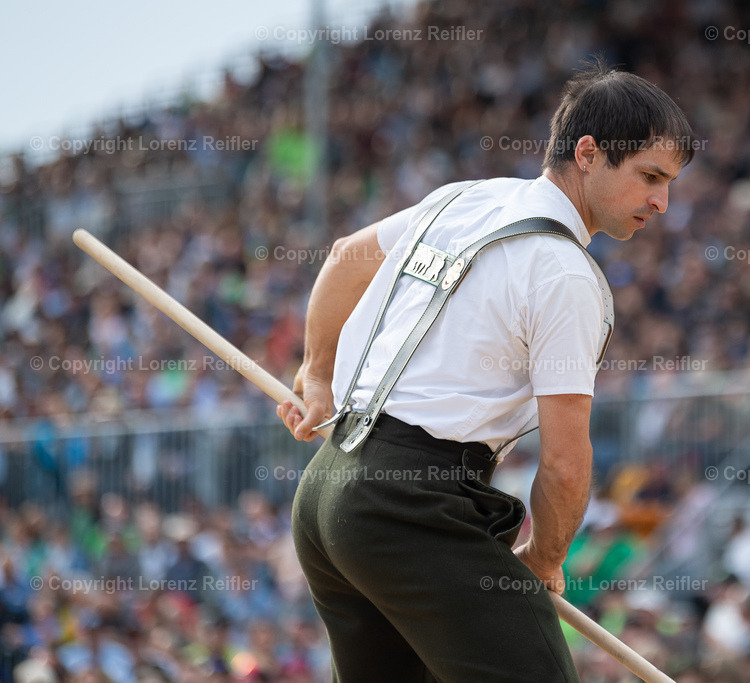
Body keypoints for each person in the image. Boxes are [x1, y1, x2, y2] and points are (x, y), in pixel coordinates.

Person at [276, 63, 695, 682]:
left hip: (327, 491)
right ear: (588, 153)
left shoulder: (462, 198)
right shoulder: (565, 275)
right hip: (408, 508)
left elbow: (347, 257)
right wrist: (545, 557)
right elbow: (563, 462)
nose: (661, 203)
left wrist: (318, 376)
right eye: (650, 177)